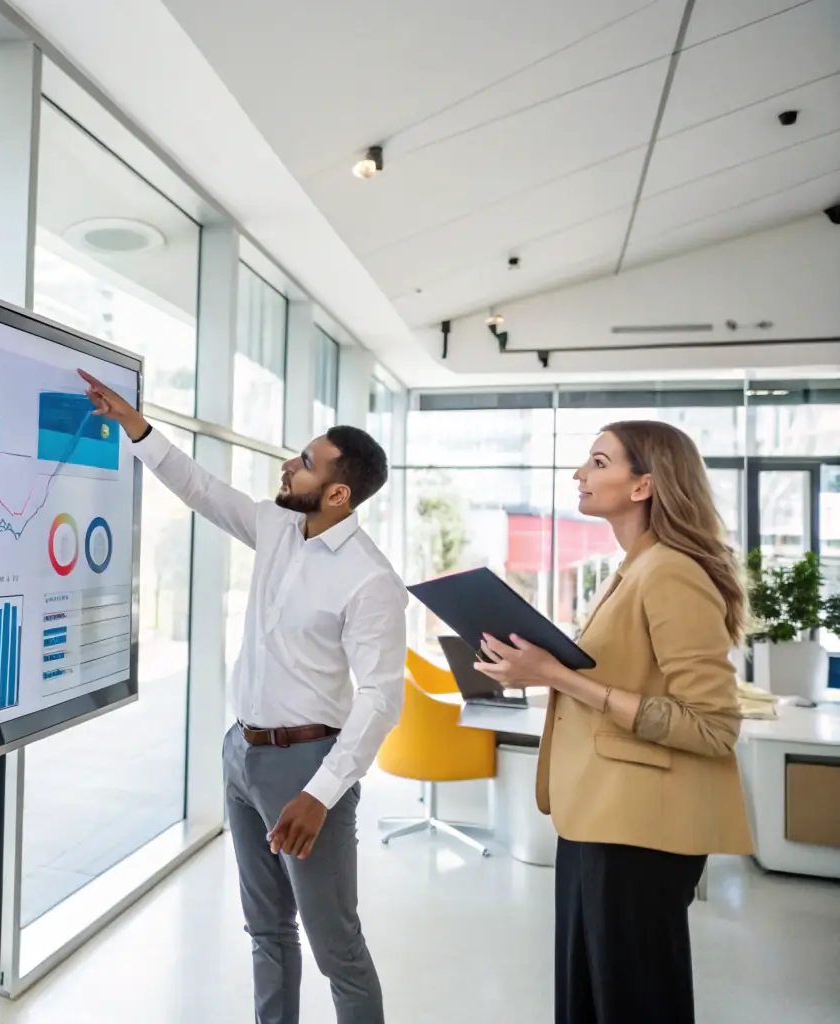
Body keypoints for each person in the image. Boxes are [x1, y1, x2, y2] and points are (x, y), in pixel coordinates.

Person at [80, 369, 406, 1024]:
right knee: (266, 931)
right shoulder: (276, 527)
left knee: (334, 943)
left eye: (306, 462)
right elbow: (200, 489)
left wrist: (320, 793)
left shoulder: (370, 579)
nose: (289, 465)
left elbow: (380, 698)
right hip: (242, 754)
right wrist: (136, 427)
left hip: (306, 769)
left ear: (338, 492)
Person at [474, 420, 753, 1024]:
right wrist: (535, 671)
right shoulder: (634, 567)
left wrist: (559, 676)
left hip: (638, 833)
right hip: (599, 817)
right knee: (590, 998)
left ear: (643, 485)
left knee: (631, 1001)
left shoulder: (672, 571)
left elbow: (712, 726)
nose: (579, 473)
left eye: (598, 462)